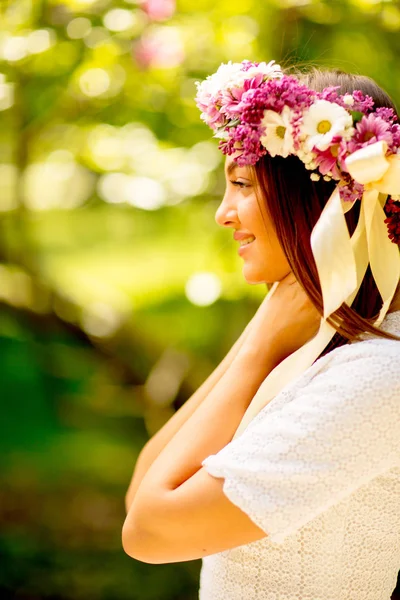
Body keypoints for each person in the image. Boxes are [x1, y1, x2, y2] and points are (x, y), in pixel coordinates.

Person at [122, 61, 400, 600]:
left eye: (242, 185)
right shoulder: (327, 347)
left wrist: (257, 351)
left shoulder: (378, 375)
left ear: (315, 197)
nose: (224, 213)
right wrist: (260, 337)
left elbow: (149, 532)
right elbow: (143, 486)